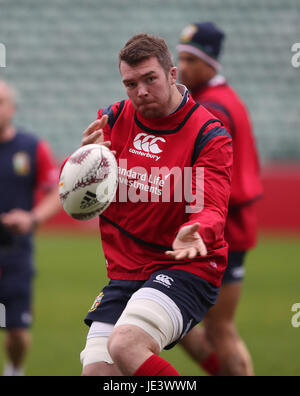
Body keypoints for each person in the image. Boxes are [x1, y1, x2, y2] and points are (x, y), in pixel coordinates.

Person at [70, 33, 233, 376]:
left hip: (186, 268)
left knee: (125, 343)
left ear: (173, 75)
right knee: (97, 373)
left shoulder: (208, 134)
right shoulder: (112, 120)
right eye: (130, 83)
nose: (140, 91)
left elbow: (213, 206)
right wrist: (85, 161)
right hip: (126, 272)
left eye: (150, 79)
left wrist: (197, 229)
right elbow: (74, 197)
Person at [177, 22, 263, 376]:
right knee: (192, 324)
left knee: (218, 328)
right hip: (223, 224)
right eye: (179, 58)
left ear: (210, 62)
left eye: (189, 59)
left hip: (221, 227)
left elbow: (209, 175)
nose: (181, 67)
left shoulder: (213, 109)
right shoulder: (221, 99)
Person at [0, 80, 61, 376]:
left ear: (12, 108)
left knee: (17, 331)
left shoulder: (31, 147)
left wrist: (32, 218)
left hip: (14, 253)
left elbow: (57, 191)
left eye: (0, 102)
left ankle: (14, 368)